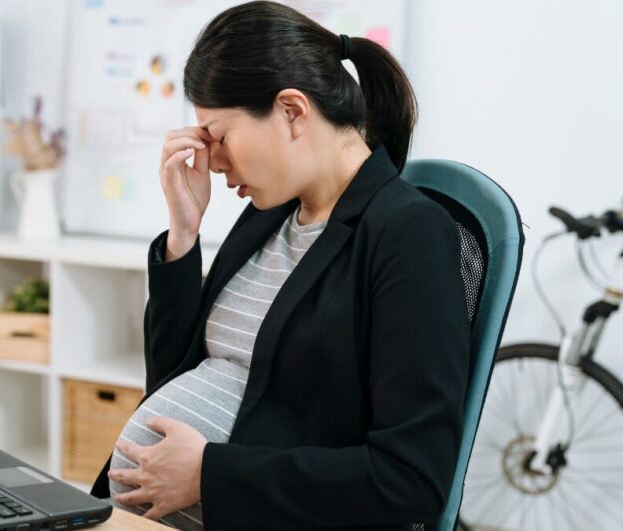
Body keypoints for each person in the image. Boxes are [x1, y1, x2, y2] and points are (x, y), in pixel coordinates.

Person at [89, 2, 469, 529]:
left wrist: (210, 476)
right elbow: (169, 378)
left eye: (218, 136)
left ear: (292, 111)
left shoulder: (407, 233)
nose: (212, 160)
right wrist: (184, 233)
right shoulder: (268, 217)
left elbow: (411, 479)